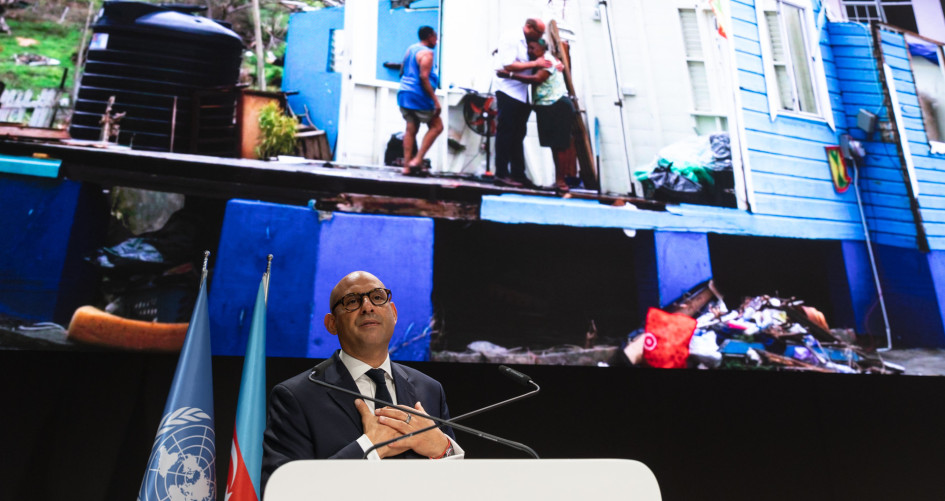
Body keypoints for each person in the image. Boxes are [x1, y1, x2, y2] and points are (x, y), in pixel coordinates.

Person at [261, 271, 463, 494]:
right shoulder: (296, 396)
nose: (367, 307)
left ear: (393, 313)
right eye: (352, 301)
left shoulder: (430, 390)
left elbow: (454, 489)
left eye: (377, 297)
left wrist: (442, 449)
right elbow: (283, 491)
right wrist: (368, 448)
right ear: (332, 324)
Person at [497, 39, 577, 194]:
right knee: (554, 144)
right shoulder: (537, 61)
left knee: (560, 145)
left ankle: (561, 182)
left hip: (556, 104)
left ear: (542, 48)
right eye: (529, 47)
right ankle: (559, 181)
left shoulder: (546, 61)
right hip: (548, 105)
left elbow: (537, 79)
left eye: (533, 48)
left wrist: (510, 75)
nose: (530, 51)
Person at [493, 18, 552, 187]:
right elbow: (508, 64)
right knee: (506, 131)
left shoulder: (528, 40)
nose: (540, 36)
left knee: (519, 133)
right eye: (538, 32)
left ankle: (518, 173)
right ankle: (501, 173)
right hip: (508, 89)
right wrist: (536, 63)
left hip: (522, 92)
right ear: (528, 27)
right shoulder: (511, 37)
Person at [397, 26, 444, 175]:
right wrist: (435, 100)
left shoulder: (411, 49)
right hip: (419, 94)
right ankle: (417, 159)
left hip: (404, 93)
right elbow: (424, 77)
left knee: (411, 129)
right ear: (429, 36)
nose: (437, 40)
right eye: (435, 37)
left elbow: (402, 69)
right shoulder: (427, 54)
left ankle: (406, 166)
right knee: (437, 126)